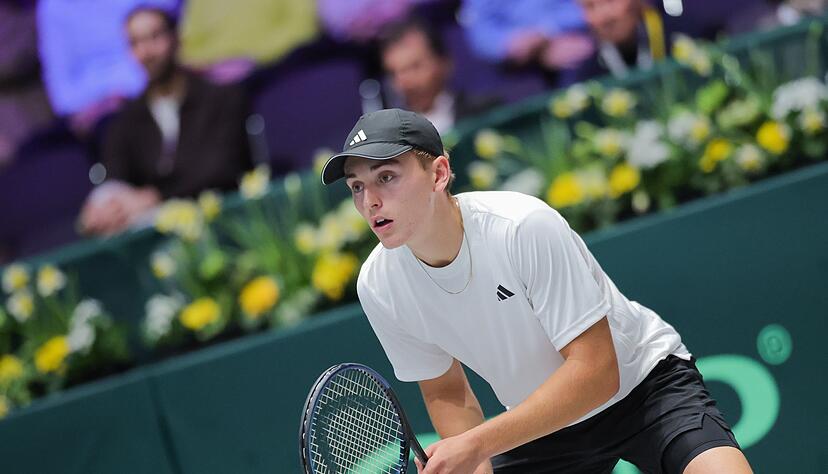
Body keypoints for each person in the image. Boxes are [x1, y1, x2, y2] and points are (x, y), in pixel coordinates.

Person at [320, 108, 754, 473]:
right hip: (542, 428)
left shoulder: (522, 227)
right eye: (357, 187)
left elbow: (598, 372)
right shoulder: (379, 285)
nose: (370, 201)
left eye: (387, 177)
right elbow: (446, 391)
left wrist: (477, 444)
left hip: (645, 390)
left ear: (439, 174)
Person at [79, 6, 252, 236]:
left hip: (223, 224)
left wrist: (156, 197)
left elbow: (222, 170)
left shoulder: (220, 98)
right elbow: (114, 176)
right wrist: (102, 208)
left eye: (154, 37)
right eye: (135, 43)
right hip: (159, 239)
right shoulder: (126, 121)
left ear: (176, 38)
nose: (146, 51)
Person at [574, 0, 772, 79]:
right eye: (590, 7)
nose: (603, 17)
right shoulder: (587, 74)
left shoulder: (690, 29)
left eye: (610, 1)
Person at [379, 17, 500, 135]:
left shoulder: (484, 114)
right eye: (394, 73)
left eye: (415, 67)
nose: (405, 82)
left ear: (444, 63)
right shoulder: (391, 138)